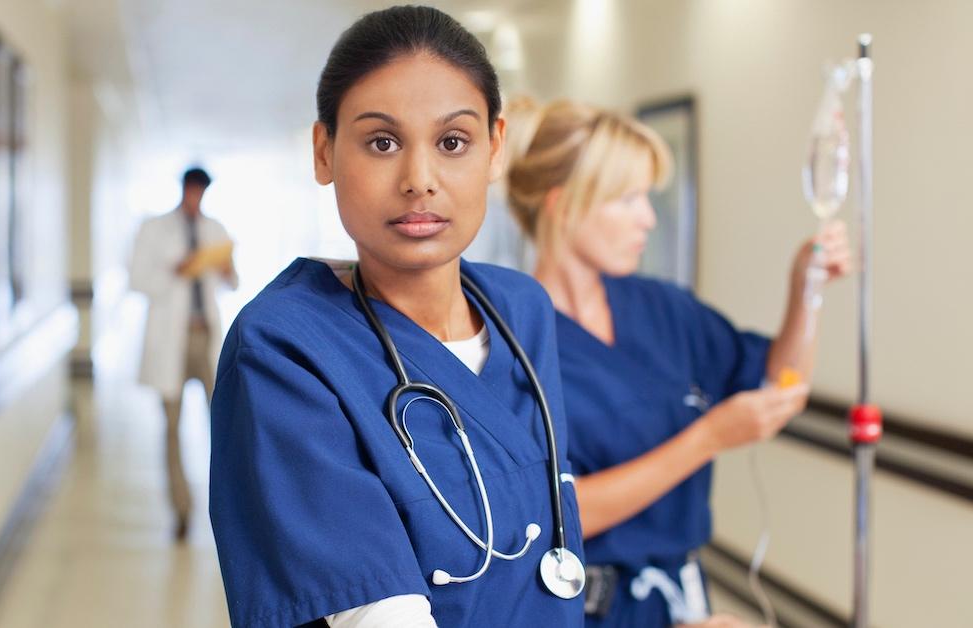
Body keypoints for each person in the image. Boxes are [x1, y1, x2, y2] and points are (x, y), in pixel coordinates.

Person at [209, 7, 586, 628]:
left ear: (495, 148)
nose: (419, 180)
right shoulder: (284, 348)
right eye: (382, 142)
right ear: (325, 151)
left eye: (452, 142)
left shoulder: (523, 310)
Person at [504, 99, 852, 627]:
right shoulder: (511, 336)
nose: (648, 218)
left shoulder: (664, 309)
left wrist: (807, 288)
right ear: (564, 204)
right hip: (578, 609)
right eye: (628, 200)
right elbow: (553, 514)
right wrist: (707, 438)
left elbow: (782, 382)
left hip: (680, 605)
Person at [128, 166, 236, 542]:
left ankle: (227, 505)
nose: (196, 198)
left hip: (204, 337)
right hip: (170, 340)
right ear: (183, 190)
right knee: (171, 428)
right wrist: (175, 270)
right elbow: (137, 280)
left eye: (201, 192)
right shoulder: (154, 229)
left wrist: (224, 267)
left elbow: (232, 282)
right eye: (192, 191)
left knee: (221, 424)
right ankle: (181, 508)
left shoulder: (215, 230)